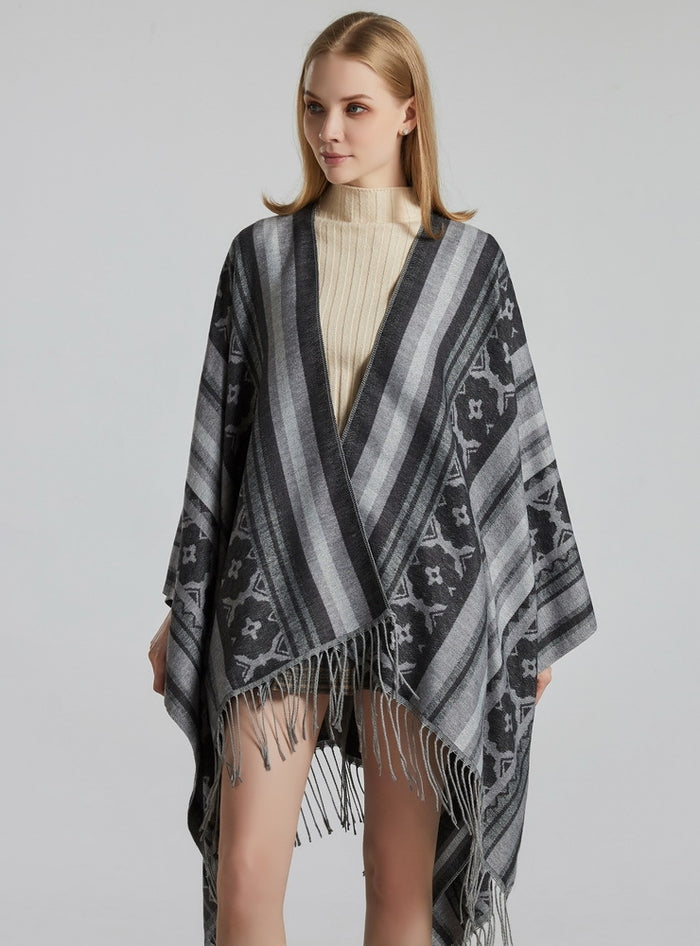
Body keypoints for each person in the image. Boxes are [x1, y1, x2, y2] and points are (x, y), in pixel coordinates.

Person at [148, 11, 597, 946]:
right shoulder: (261, 258)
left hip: (423, 600)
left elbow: (510, 445)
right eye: (315, 107)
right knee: (245, 876)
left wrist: (520, 622)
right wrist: (181, 608)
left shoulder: (469, 268)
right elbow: (223, 444)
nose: (329, 130)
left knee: (400, 886)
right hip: (275, 588)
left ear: (408, 113)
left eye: (355, 107)